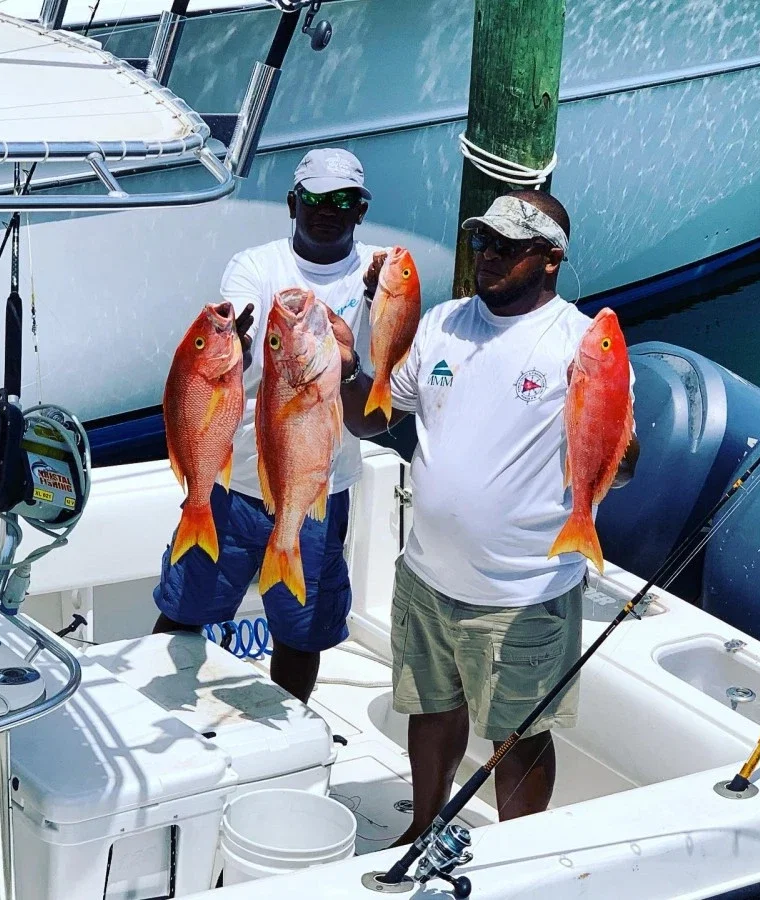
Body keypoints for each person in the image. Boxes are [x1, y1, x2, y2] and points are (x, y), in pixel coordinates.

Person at [330, 189, 639, 843]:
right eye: (482, 240)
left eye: (508, 246)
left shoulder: (582, 345)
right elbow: (373, 418)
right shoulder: (442, 323)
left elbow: (624, 467)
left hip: (522, 591)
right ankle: (422, 827)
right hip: (426, 576)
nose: (488, 256)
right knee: (429, 709)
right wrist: (349, 369)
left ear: (550, 259)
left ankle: (514, 854)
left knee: (519, 735)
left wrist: (612, 431)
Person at [152, 148, 386, 704]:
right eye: (314, 198)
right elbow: (233, 327)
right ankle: (167, 708)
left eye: (342, 200)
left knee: (301, 633)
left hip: (318, 490)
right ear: (291, 204)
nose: (326, 209)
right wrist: (239, 338)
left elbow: (382, 395)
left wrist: (378, 309)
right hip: (234, 487)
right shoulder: (256, 266)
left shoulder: (380, 274)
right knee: (184, 610)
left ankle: (287, 735)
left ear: (360, 209)